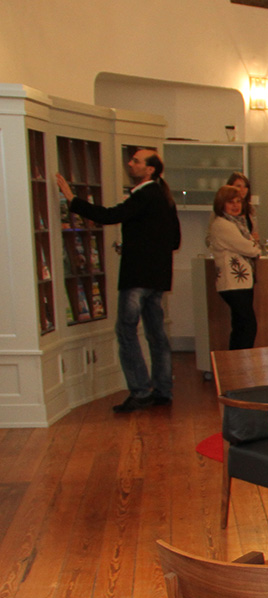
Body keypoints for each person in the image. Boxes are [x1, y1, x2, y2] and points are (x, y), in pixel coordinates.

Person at [56, 146, 180, 413]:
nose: (130, 163)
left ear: (149, 169)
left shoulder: (144, 194)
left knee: (126, 331)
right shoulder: (163, 197)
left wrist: (73, 200)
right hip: (158, 277)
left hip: (137, 275)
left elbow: (110, 216)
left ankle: (140, 391)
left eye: (136, 161)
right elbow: (175, 240)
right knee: (156, 334)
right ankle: (163, 390)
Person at [208, 185, 260, 350]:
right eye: (231, 202)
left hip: (240, 282)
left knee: (241, 325)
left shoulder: (237, 223)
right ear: (221, 204)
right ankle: (240, 362)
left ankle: (237, 361)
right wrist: (254, 242)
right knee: (247, 326)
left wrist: (252, 243)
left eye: (238, 201)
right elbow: (251, 249)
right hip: (233, 282)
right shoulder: (223, 225)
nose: (236, 205)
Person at [225, 171, 258, 243]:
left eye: (245, 187)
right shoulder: (222, 209)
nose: (242, 190)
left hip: (248, 247)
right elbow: (210, 238)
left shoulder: (251, 209)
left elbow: (254, 234)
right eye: (238, 186)